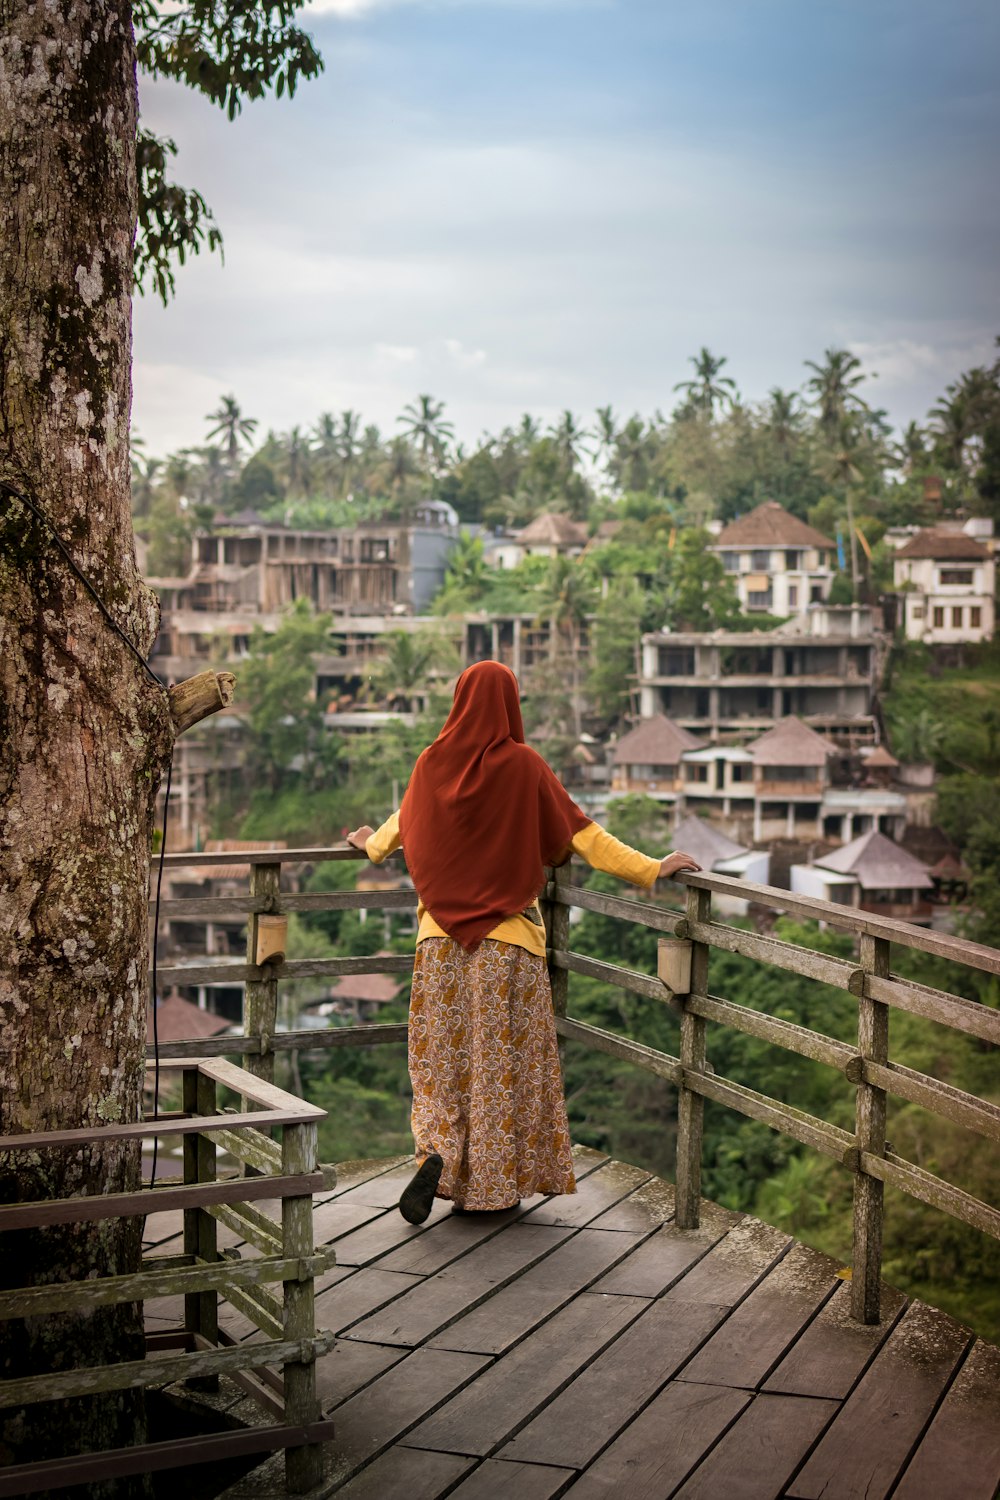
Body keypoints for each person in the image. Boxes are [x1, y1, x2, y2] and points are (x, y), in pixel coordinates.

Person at [348, 660, 700, 1224]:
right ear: (509, 704)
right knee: (499, 1068)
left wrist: (370, 845)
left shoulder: (430, 764)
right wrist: (651, 869)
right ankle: (493, 1188)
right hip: (506, 948)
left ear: (460, 701)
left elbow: (400, 826)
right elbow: (586, 836)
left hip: (439, 946)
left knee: (441, 1064)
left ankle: (438, 1150)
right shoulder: (524, 765)